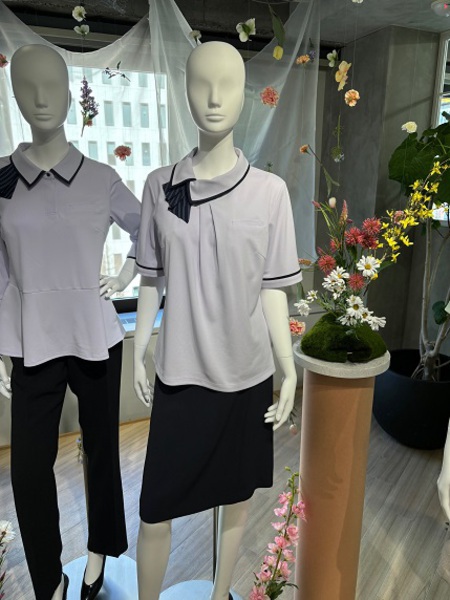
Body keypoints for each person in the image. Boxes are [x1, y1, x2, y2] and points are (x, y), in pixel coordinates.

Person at [133, 41, 302, 600]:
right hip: (181, 372)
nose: (213, 98)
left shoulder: (270, 193)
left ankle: (219, 593)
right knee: (155, 509)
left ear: (245, 96)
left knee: (236, 497)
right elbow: (151, 278)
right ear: (183, 92)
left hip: (246, 377)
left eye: (227, 84)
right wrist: (139, 347)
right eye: (201, 84)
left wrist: (287, 367)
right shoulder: (158, 186)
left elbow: (272, 289)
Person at [0, 44, 141, 600]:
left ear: (69, 93)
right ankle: (48, 579)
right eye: (27, 87)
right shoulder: (1, 179)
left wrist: (126, 274)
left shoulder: (100, 178)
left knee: (102, 449)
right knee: (28, 469)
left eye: (52, 86)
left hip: (95, 335)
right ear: (14, 96)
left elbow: (148, 228)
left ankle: (100, 550)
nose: (41, 98)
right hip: (31, 338)